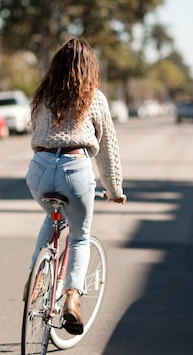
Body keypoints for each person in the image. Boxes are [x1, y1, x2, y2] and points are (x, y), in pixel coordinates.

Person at [25, 37, 127, 335]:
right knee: (80, 237)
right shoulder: (94, 98)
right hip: (75, 171)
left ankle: (36, 281)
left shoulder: (43, 95)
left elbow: (37, 131)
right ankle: (71, 297)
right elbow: (108, 149)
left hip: (39, 170)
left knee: (51, 217)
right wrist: (115, 190)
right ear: (89, 67)